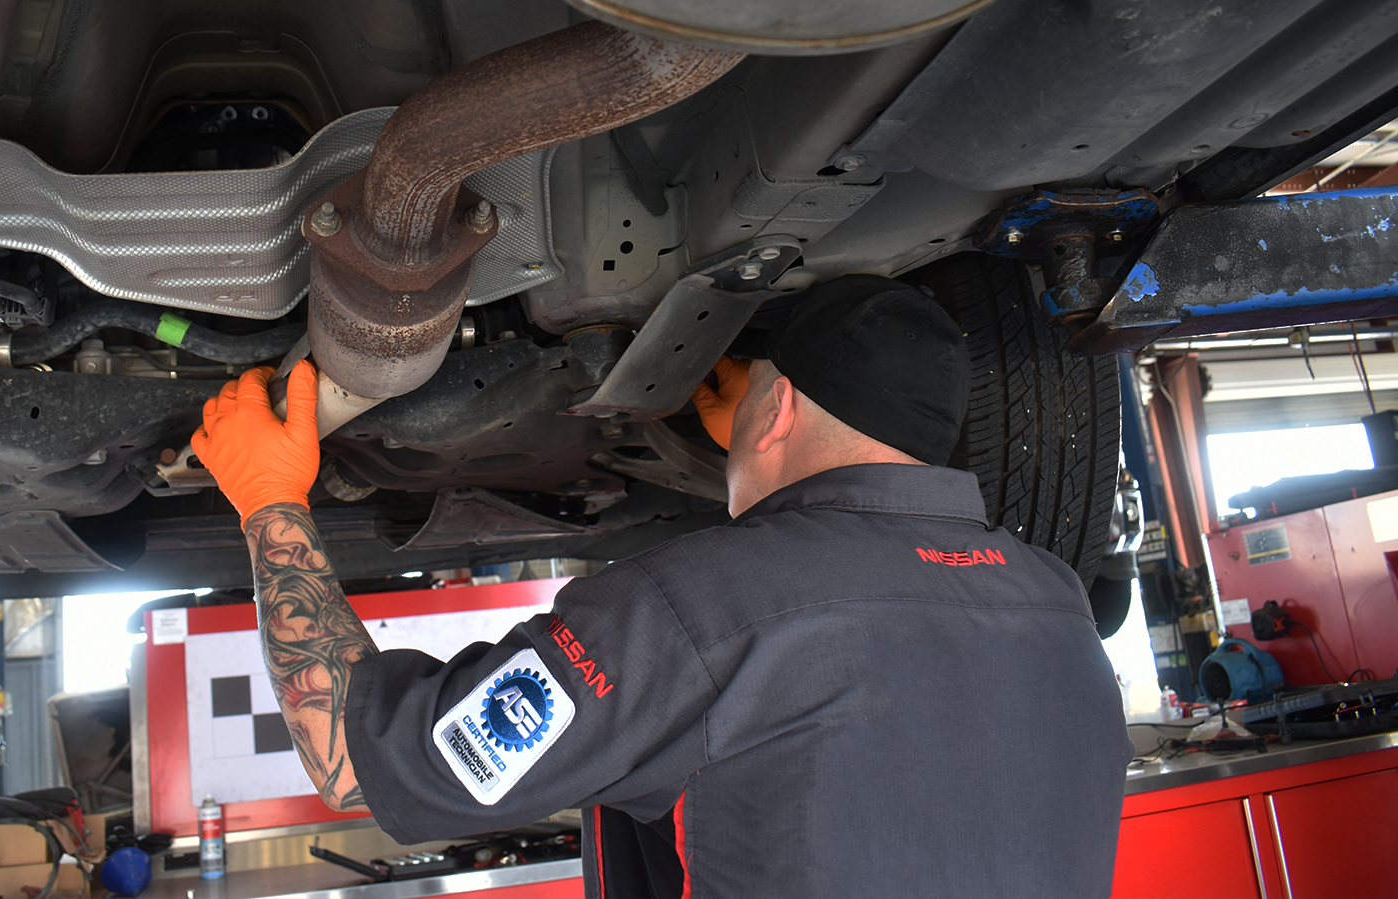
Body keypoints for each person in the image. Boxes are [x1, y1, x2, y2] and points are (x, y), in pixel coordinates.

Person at [191, 274, 1134, 898]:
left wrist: (270, 497)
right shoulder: (1054, 603)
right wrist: (764, 463)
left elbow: (353, 756)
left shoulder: (698, 612)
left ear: (780, 410)